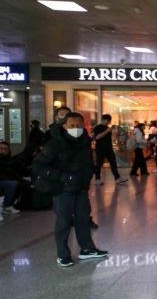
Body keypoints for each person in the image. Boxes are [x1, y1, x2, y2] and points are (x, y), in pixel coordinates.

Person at [32, 112, 108, 267]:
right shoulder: (54, 143)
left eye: (79, 125)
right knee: (64, 221)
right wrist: (62, 177)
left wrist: (89, 174)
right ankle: (62, 254)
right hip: (62, 189)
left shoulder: (84, 141)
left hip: (80, 188)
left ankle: (87, 249)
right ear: (64, 126)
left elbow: (87, 162)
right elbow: (38, 165)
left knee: (83, 219)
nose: (76, 128)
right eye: (72, 125)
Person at [93, 114, 127, 186]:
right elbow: (97, 137)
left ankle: (117, 178)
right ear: (105, 120)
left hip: (109, 149)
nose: (109, 123)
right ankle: (97, 179)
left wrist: (113, 132)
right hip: (100, 149)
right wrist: (107, 131)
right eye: (108, 121)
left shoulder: (108, 128)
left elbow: (110, 138)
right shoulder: (98, 128)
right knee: (99, 164)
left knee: (113, 163)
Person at [0, 141, 22, 221]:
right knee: (11, 184)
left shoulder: (10, 160)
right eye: (1, 149)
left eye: (5, 149)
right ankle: (7, 205)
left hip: (7, 180)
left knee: (16, 183)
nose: (3, 151)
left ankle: (8, 205)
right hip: (4, 181)